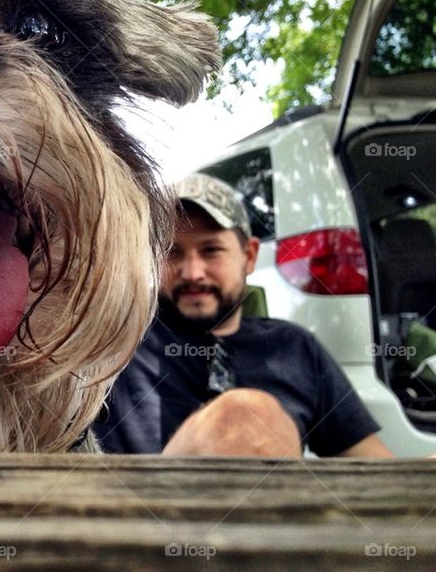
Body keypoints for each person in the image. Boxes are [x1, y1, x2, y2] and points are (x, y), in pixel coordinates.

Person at [94, 173, 394, 458]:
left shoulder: (294, 348)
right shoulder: (116, 342)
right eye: (173, 251)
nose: (193, 272)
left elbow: (376, 466)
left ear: (249, 256)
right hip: (139, 495)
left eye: (211, 250)